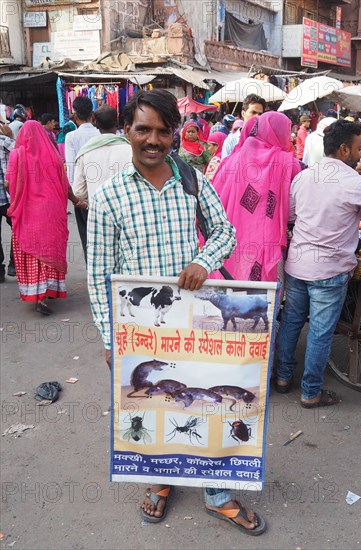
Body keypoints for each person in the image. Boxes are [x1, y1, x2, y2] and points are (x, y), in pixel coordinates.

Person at [87, 89, 265, 534]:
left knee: (209, 398)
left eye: (162, 131)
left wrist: (203, 261)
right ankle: (163, 481)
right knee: (157, 404)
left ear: (173, 135)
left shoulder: (192, 180)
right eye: (143, 129)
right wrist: (111, 339)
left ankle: (217, 493)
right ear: (126, 131)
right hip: (141, 329)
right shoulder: (108, 197)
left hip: (198, 323)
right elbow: (98, 275)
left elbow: (224, 232)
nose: (153, 139)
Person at [274, 120, 361, 407]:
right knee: (320, 333)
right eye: (358, 148)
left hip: (297, 265)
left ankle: (282, 378)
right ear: (344, 149)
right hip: (329, 272)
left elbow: (291, 215)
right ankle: (311, 392)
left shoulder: (304, 176)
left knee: (292, 323)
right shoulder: (353, 183)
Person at [212, 112, 301, 282]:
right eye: (286, 131)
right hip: (267, 242)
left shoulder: (231, 160)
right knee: (264, 300)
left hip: (230, 240)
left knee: (230, 293)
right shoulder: (288, 163)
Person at [5, 121, 71, 315]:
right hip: (52, 210)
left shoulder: (17, 155)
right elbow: (64, 184)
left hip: (28, 211)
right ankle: (49, 290)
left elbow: (9, 181)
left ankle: (38, 295)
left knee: (32, 251)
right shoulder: (54, 156)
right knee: (49, 250)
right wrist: (76, 200)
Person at [72, 105, 132, 259]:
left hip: (98, 216)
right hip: (128, 214)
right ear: (117, 122)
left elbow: (78, 191)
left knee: (101, 259)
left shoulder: (86, 152)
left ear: (95, 123)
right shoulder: (131, 150)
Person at [65, 97, 99, 259]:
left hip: (82, 192)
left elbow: (71, 165)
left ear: (75, 116)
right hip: (101, 189)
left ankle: (91, 269)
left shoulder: (71, 137)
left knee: (86, 234)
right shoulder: (100, 133)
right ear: (92, 115)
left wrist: (73, 195)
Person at [222, 94, 266, 159]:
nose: (257, 117)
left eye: (260, 114)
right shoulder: (231, 141)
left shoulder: (264, 140)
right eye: (253, 112)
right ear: (243, 113)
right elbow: (225, 167)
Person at [0, 119, 15, 282]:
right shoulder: (5, 141)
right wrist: (11, 136)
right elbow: (22, 152)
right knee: (17, 230)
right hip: (9, 195)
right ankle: (13, 264)